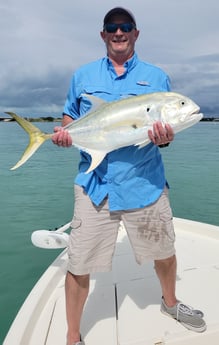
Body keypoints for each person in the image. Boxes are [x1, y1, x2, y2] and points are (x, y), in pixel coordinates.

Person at [52, 7, 206, 345]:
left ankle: (171, 304)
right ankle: (73, 336)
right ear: (103, 34)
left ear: (136, 33)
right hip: (95, 186)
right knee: (78, 265)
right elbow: (70, 117)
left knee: (164, 252)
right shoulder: (84, 75)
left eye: (126, 27)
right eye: (112, 27)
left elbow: (167, 132)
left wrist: (166, 137)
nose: (119, 32)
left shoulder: (156, 77)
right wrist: (66, 135)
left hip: (144, 184)